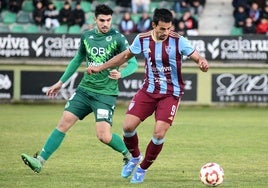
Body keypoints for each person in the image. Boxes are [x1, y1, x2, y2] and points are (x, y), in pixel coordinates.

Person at [86, 8, 209, 183]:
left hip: (170, 94)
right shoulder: (142, 39)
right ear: (154, 25)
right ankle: (134, 157)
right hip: (148, 91)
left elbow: (197, 57)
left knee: (159, 133)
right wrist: (100, 67)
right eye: (162, 29)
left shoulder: (178, 41)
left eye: (168, 28)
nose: (166, 32)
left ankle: (142, 168)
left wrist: (202, 63)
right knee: (128, 127)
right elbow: (124, 56)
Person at [21, 4, 138, 174]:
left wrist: (122, 74)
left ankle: (129, 155)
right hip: (84, 90)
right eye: (102, 20)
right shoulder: (87, 37)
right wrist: (60, 82)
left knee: (103, 136)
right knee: (63, 124)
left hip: (105, 94)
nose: (106, 24)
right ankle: (39, 161)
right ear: (95, 20)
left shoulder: (118, 38)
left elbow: (133, 63)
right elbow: (77, 60)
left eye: (108, 20)